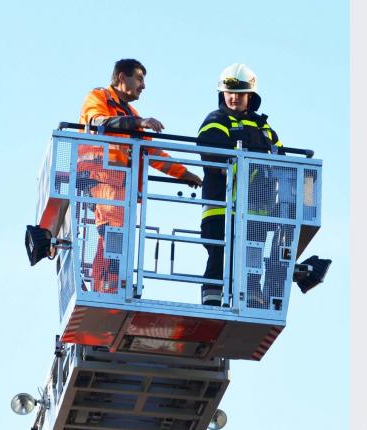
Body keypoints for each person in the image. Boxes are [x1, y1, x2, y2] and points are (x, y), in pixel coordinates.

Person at [78, 58, 202, 293]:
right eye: (139, 78)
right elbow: (98, 121)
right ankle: (110, 285)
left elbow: (151, 152)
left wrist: (183, 173)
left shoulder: (130, 111)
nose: (143, 86)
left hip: (119, 182)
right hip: (100, 175)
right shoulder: (99, 97)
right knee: (113, 231)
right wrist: (138, 122)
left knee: (112, 234)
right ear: (122, 78)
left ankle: (104, 284)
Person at [197, 63, 283, 307]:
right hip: (221, 208)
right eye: (229, 92)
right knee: (218, 257)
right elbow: (210, 152)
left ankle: (252, 299)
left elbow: (282, 161)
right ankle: (212, 304)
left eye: (240, 93)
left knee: (252, 259)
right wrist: (245, 172)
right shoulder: (216, 120)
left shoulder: (263, 126)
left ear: (250, 96)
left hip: (256, 211)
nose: (234, 98)